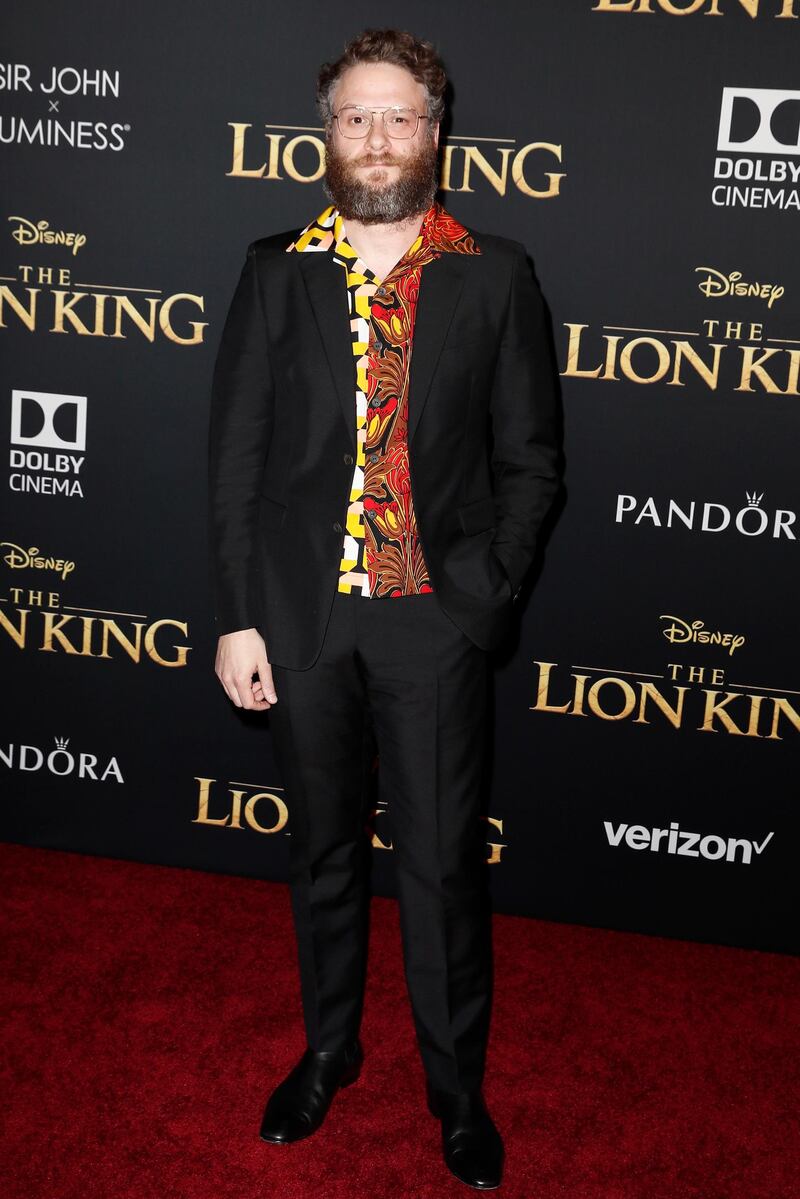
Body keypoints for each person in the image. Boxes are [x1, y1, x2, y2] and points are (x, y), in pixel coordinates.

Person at [207, 27, 560, 1192]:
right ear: (327, 135)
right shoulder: (273, 269)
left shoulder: (494, 272)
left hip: (432, 620)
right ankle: (326, 1050)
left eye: (397, 114)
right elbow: (238, 463)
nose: (375, 136)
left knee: (443, 866)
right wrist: (240, 616)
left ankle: (454, 1089)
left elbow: (531, 462)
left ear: (434, 131)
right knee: (319, 852)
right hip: (302, 619)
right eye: (354, 116)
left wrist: (484, 590)